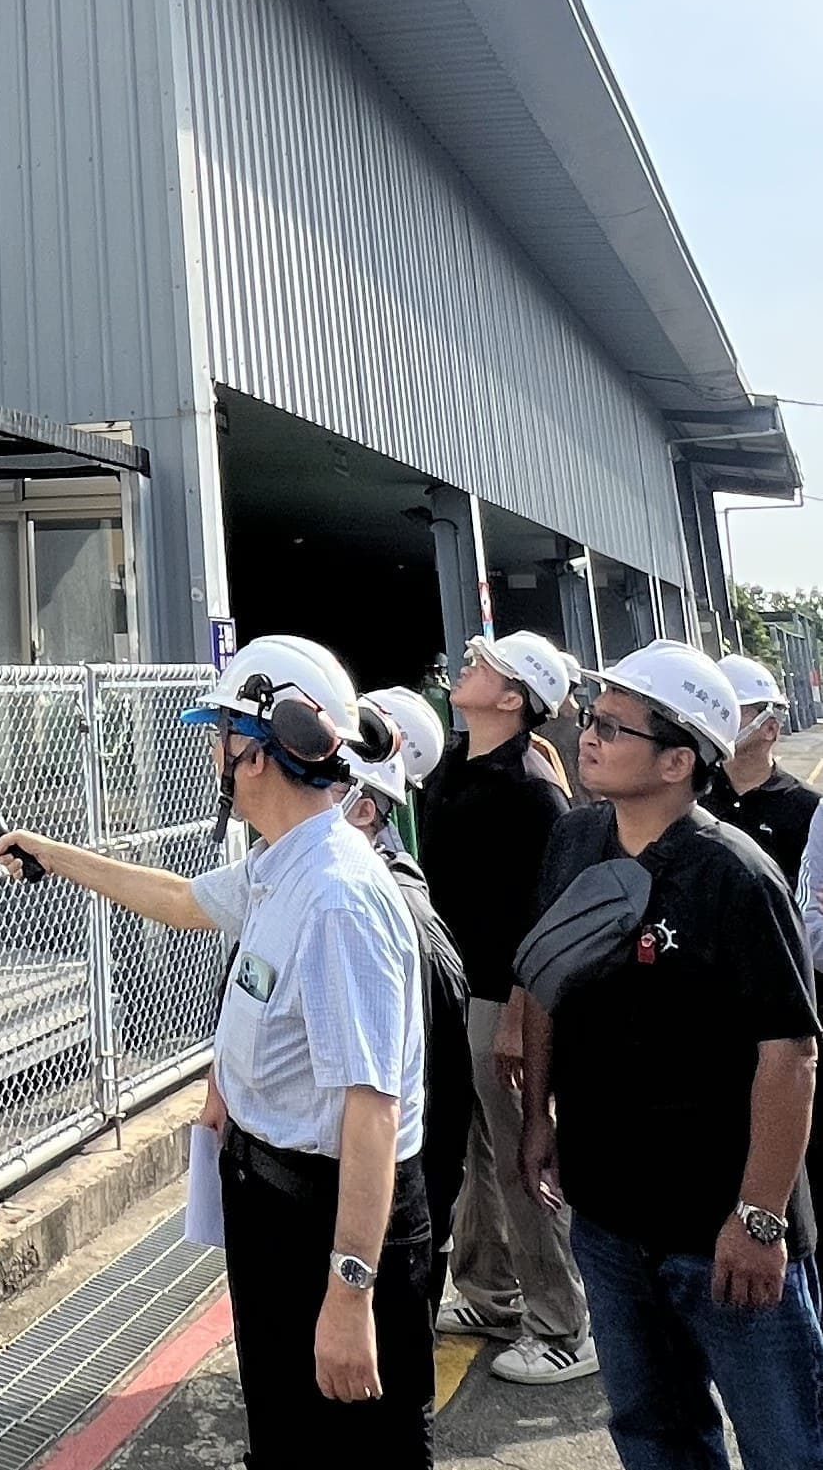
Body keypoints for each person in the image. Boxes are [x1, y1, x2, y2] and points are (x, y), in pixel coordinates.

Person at [0, 633, 432, 1462]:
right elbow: (180, 901)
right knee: (286, 1434)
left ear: (258, 751)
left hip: (332, 1218)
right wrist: (53, 855)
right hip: (276, 1204)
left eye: (222, 733)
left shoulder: (335, 897)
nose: (212, 751)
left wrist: (349, 1294)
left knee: (354, 1450)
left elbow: (372, 1113)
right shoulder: (283, 864)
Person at [515, 640, 823, 1469]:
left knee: (788, 1445)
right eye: (591, 716)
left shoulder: (735, 876)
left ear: (679, 760)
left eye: (614, 726)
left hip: (718, 1232)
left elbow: (790, 1054)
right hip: (610, 1219)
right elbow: (545, 982)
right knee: (653, 1433)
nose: (588, 734)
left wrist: (758, 1218)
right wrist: (537, 1116)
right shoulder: (575, 840)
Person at [415, 627, 594, 1382]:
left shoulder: (532, 788)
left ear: (513, 697)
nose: (466, 665)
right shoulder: (456, 764)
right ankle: (492, 1294)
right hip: (459, 990)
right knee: (473, 1152)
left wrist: (523, 1013)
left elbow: (550, 914)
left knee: (524, 1154)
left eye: (483, 664)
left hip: (503, 996)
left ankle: (563, 1325)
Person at [345, 693, 473, 1309]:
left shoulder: (394, 918)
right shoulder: (301, 886)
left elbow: (426, 1099)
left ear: (365, 807)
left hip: (381, 1218)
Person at [712, 654, 819, 891]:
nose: (720, 722)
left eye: (732, 712)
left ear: (770, 728)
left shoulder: (809, 809)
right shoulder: (689, 795)